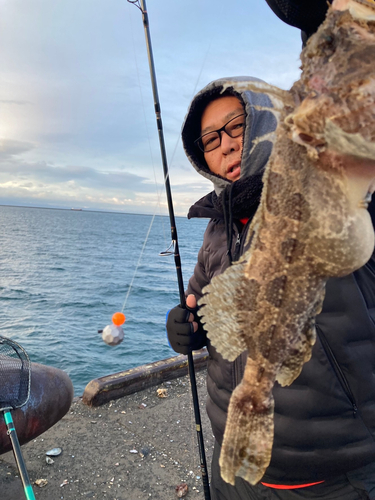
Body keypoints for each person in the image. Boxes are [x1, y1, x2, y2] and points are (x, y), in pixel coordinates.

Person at [166, 75, 375, 500]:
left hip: (335, 478)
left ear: (268, 122)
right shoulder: (218, 228)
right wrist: (187, 325)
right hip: (236, 466)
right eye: (209, 140)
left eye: (236, 126)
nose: (224, 145)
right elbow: (201, 298)